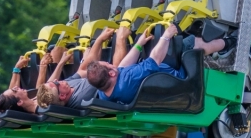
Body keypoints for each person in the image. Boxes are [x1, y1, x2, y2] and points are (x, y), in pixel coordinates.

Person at [88, 24, 235, 105]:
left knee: (158, 46)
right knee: (195, 44)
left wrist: (139, 44)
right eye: (108, 64)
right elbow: (155, 59)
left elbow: (122, 67)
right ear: (111, 73)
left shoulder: (105, 92)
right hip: (176, 78)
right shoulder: (130, 78)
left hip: (159, 83)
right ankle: (228, 43)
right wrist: (167, 35)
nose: (110, 63)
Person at [36, 27, 126, 109]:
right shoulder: (83, 97)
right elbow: (105, 73)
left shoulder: (66, 88)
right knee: (114, 70)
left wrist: (99, 40)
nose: (56, 79)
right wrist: (120, 38)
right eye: (56, 83)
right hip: (116, 82)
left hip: (107, 76)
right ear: (62, 96)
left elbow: (83, 70)